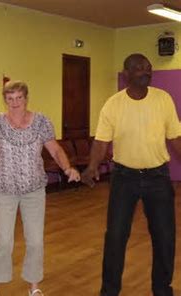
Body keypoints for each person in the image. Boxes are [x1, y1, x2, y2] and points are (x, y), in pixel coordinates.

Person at [81, 53, 181, 296]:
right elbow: (101, 141)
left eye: (148, 67)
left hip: (158, 177)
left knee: (165, 237)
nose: (146, 71)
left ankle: (162, 289)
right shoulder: (113, 104)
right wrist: (92, 166)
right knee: (115, 237)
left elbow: (175, 137)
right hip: (124, 178)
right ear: (126, 75)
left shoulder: (163, 99)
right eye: (138, 68)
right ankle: (109, 291)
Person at [0, 81, 80, 296]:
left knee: (35, 240)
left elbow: (55, 150)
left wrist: (68, 167)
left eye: (19, 98)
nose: (14, 102)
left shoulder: (41, 122)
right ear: (5, 100)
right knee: (3, 240)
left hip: (33, 189)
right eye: (10, 98)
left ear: (26, 98)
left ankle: (34, 285)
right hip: (4, 188)